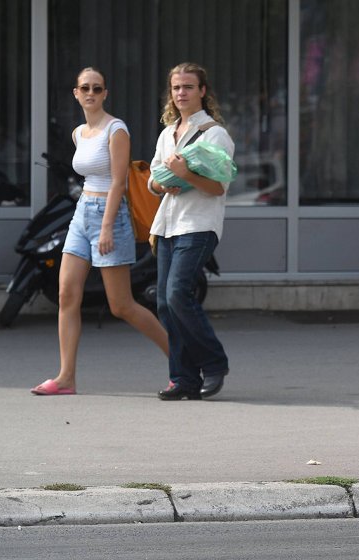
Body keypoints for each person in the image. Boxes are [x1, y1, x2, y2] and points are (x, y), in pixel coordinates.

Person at [31, 67, 169, 396]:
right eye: (85, 88)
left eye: (97, 88)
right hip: (82, 214)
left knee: (121, 305)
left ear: (105, 93)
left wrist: (106, 227)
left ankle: (182, 358)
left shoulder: (116, 129)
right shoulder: (80, 133)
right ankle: (66, 378)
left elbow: (119, 182)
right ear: (76, 94)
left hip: (111, 216)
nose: (91, 93)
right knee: (67, 294)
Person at [147, 62, 234, 401]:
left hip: (198, 224)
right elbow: (152, 181)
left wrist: (185, 175)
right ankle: (183, 379)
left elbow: (218, 188)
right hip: (168, 224)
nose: (181, 93)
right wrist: (162, 183)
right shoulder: (167, 133)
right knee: (165, 304)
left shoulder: (215, 135)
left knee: (178, 294)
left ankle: (214, 363)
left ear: (202, 91)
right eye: (176, 88)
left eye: (187, 87)